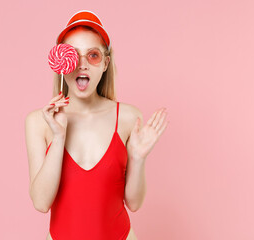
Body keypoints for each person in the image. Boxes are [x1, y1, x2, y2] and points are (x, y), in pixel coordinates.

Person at [25, 10, 169, 240]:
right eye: (73, 55)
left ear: (105, 63)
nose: (82, 65)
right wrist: (59, 136)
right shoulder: (38, 122)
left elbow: (134, 203)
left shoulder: (129, 118)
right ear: (62, 63)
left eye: (92, 56)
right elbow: (41, 203)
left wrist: (139, 158)